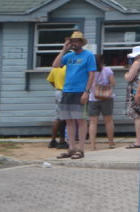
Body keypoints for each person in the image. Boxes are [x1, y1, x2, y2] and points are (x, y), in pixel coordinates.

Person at [51, 30, 96, 159]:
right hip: (67, 91)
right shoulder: (68, 56)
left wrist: (86, 92)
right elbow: (55, 65)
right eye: (72, 41)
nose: (74, 43)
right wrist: (64, 50)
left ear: (81, 42)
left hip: (80, 91)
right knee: (69, 121)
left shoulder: (88, 56)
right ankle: (71, 148)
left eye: (77, 41)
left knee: (80, 120)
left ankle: (80, 149)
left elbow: (92, 74)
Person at [87, 54, 116, 150]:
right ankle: (111, 143)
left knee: (93, 122)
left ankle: (92, 145)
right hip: (106, 97)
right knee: (108, 121)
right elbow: (113, 83)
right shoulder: (107, 70)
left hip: (93, 97)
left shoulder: (90, 71)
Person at [124, 46, 140, 149]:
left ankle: (139, 141)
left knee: (137, 116)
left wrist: (126, 74)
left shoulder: (137, 63)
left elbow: (129, 77)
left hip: (135, 91)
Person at [45, 64, 68, 149]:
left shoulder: (56, 67)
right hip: (66, 92)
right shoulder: (68, 67)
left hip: (58, 92)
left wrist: (57, 86)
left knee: (58, 117)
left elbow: (50, 80)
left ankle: (53, 140)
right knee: (64, 118)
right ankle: (62, 141)